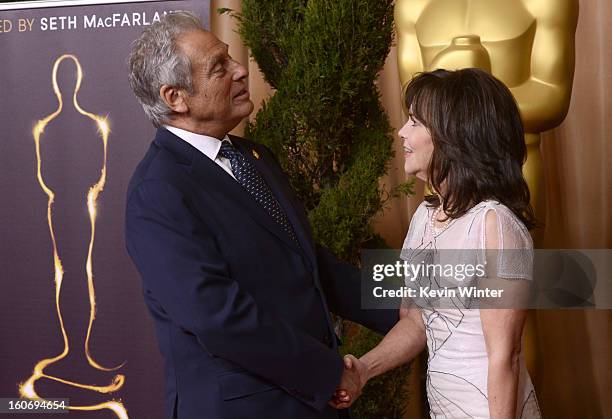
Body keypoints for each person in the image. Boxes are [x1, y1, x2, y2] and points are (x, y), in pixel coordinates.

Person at [125, 11, 397, 419]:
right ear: (175, 97)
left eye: (232, 58)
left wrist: (416, 305)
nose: (240, 70)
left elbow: (310, 264)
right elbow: (217, 316)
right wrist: (327, 374)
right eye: (220, 67)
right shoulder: (158, 192)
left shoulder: (254, 158)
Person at [332, 68, 542, 418]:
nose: (402, 132)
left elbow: (506, 355)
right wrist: (363, 370)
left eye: (414, 121)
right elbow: (417, 322)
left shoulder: (497, 225)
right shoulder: (424, 217)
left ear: (453, 136)